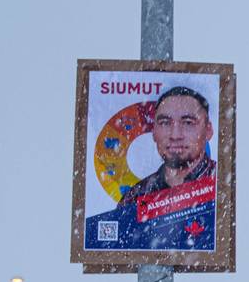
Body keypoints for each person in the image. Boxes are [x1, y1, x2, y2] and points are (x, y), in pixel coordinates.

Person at [88, 86, 218, 250]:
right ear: (154, 133)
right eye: (165, 123)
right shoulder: (134, 198)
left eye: (188, 123)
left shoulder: (225, 187)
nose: (175, 135)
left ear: (208, 130)